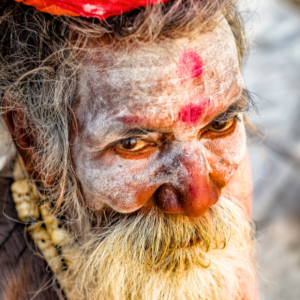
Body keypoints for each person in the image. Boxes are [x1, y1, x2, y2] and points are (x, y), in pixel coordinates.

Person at [0, 0, 258, 299]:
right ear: (33, 141)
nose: (199, 199)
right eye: (133, 144)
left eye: (220, 124)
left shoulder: (229, 179)